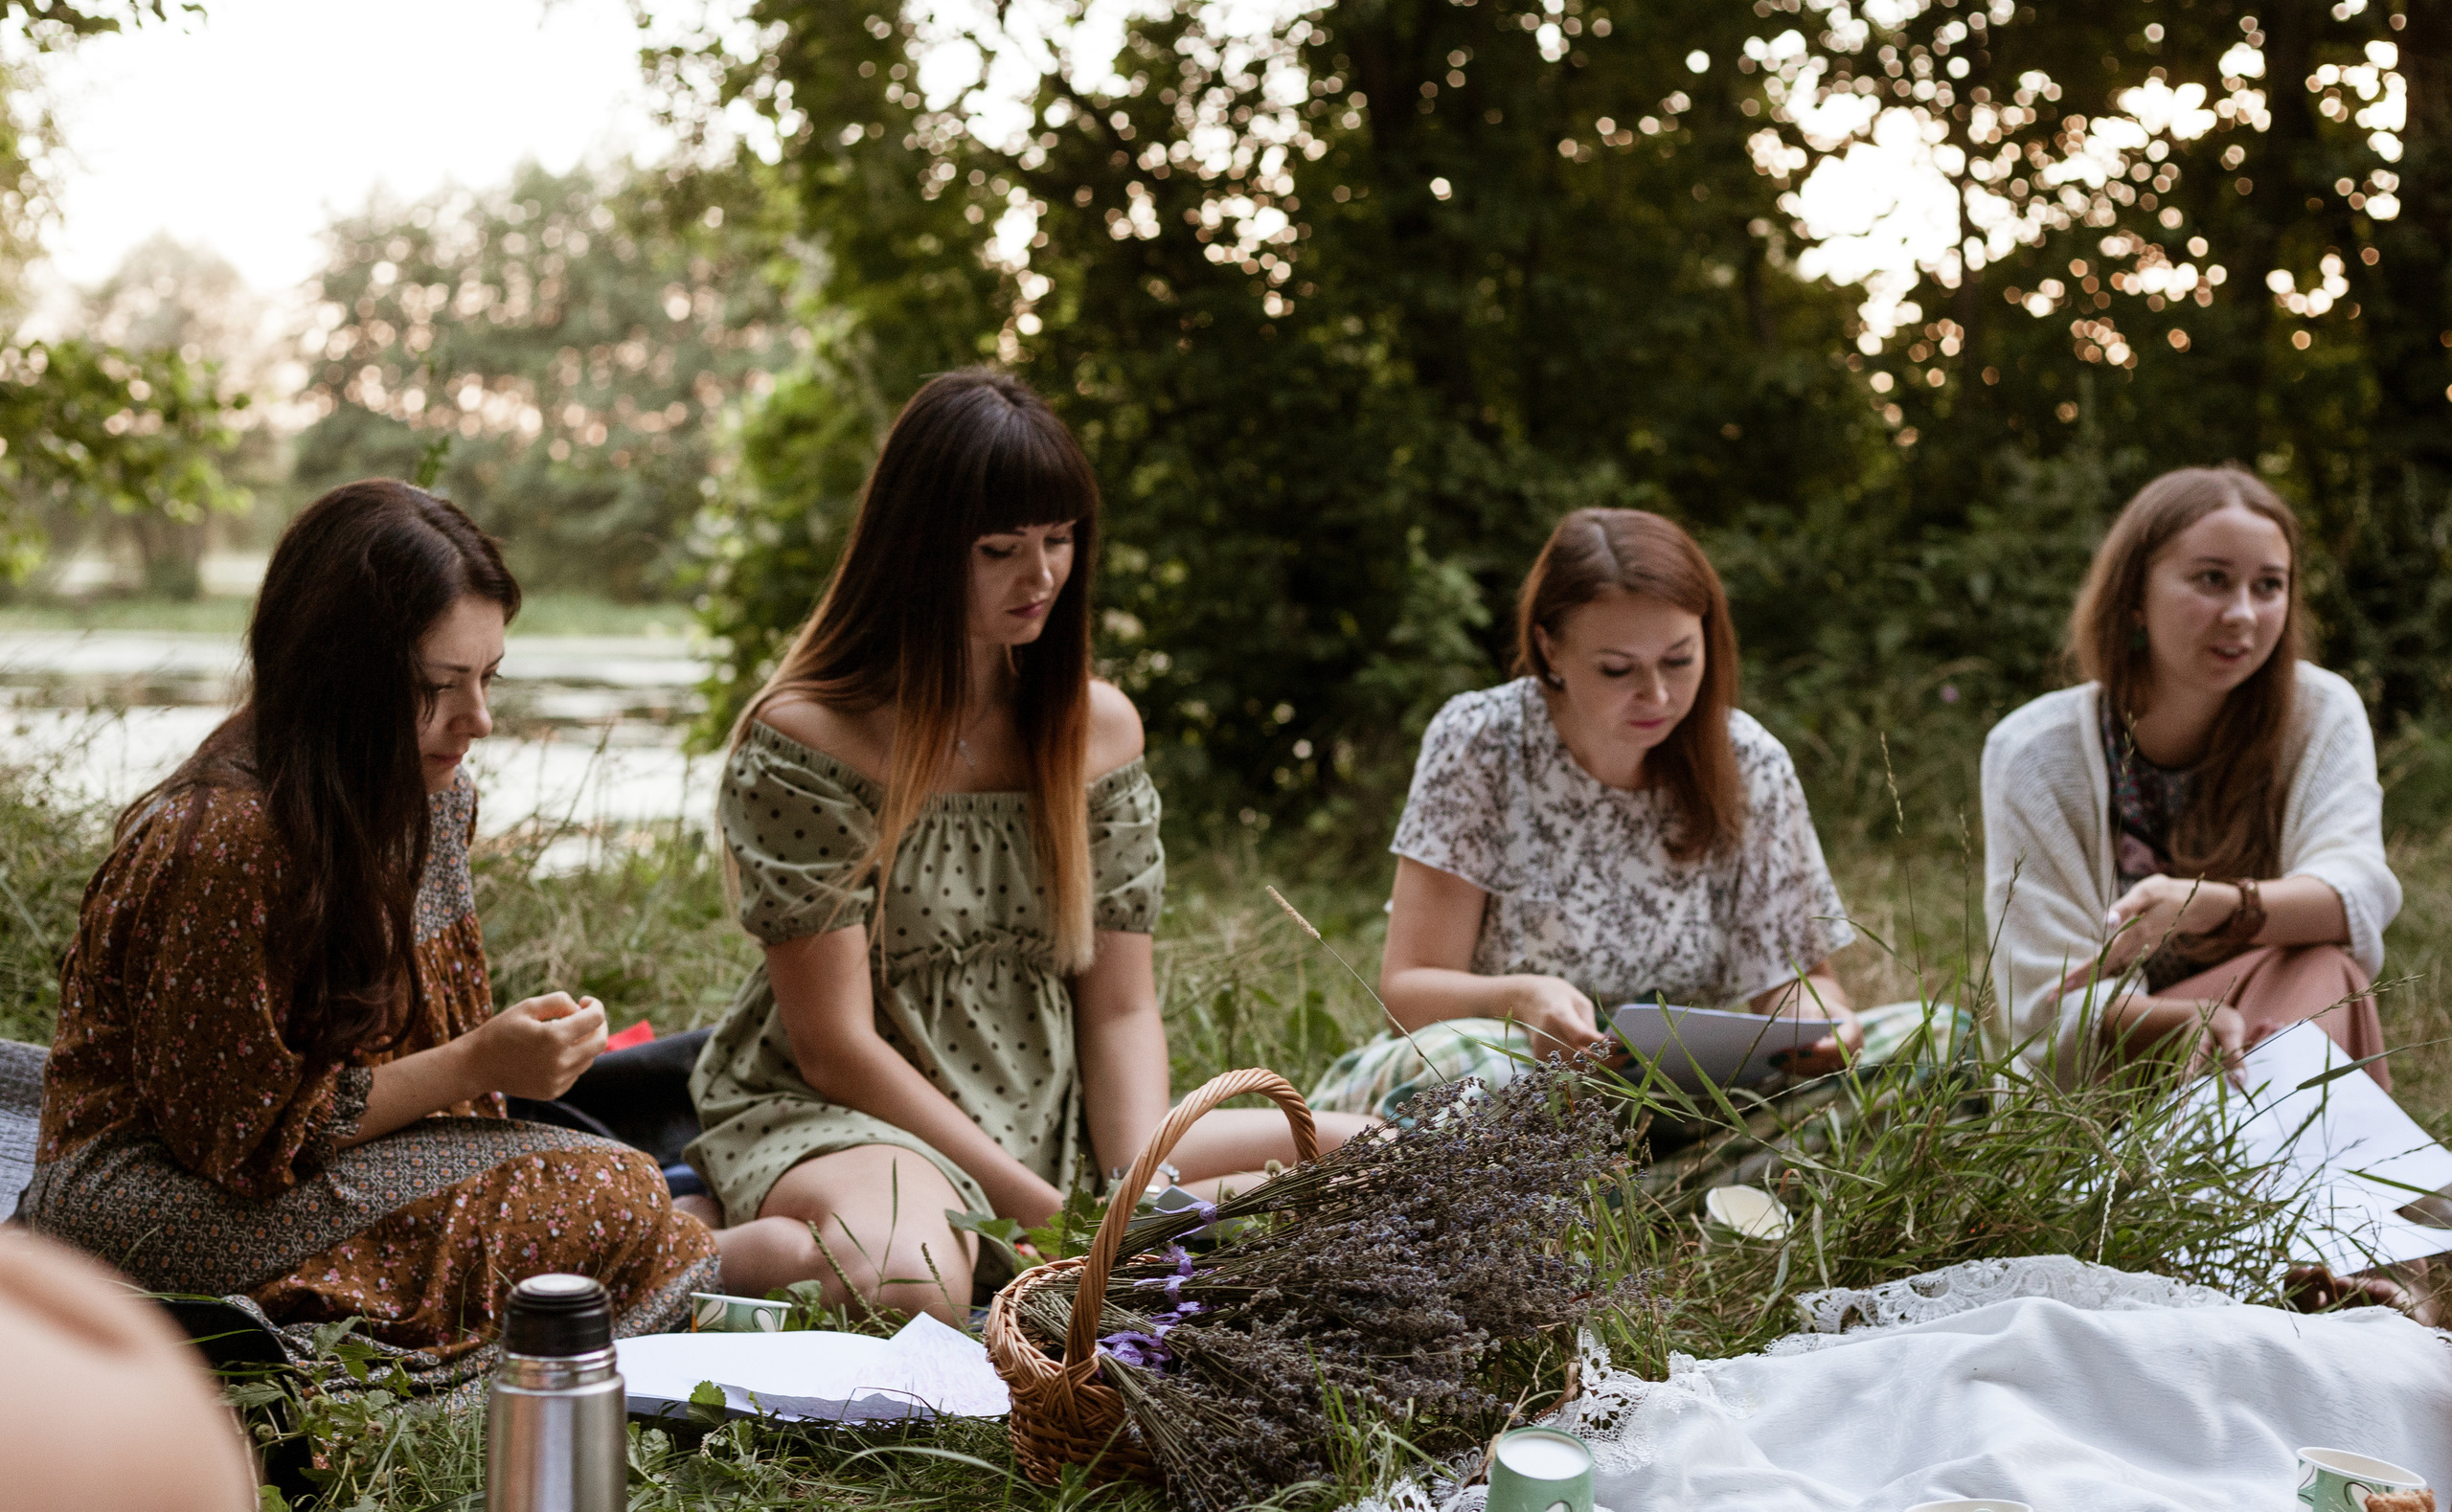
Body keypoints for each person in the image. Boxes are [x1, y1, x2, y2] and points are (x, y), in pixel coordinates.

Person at [20, 482, 784, 1390]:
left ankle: (479, 1329)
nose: (479, 721)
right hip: (159, 1199)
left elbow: (426, 1060)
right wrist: (476, 1064)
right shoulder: (224, 837)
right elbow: (238, 1142)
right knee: (607, 1194)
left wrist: (497, 1060)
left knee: (610, 1183)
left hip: (324, 1166)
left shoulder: (432, 795)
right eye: (437, 688)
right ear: (339, 676)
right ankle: (384, 1360)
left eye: (487, 678)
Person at [683, 369, 1366, 1321]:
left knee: (1379, 1155)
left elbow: (1122, 1008)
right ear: (917, 550)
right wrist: (1046, 1214)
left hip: (1057, 1115)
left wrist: (1129, 1188)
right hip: (859, 1114)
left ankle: (820, 1242)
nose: (1041, 576)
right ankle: (689, 1251)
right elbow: (833, 1044)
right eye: (999, 548)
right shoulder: (811, 740)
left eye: (1058, 539)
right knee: (911, 1284)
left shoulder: (1098, 731)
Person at [1313, 508, 1911, 1123]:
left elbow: (1798, 980)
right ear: (1550, 647)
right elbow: (1407, 993)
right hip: (1511, 1070)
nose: (1656, 695)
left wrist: (1818, 1023)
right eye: (1618, 669)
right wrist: (1522, 1000)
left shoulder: (1749, 760)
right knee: (1484, 1077)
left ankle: (1653, 1174)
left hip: (1694, 1094)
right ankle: (1670, 1180)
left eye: (1679, 660)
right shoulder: (1482, 742)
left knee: (1936, 1038)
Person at [1981, 465, 2400, 1087]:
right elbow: (2046, 1005)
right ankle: (2298, 1171)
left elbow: (2357, 895)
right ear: (2134, 595)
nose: (2242, 614)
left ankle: (2263, 1169)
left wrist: (2211, 906)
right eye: (2212, 579)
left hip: (2273, 1022)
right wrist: (2182, 1021)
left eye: (2268, 586)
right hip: (2115, 1076)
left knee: (2325, 967)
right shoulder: (2035, 752)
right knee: (2311, 991)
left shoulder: (2320, 713)